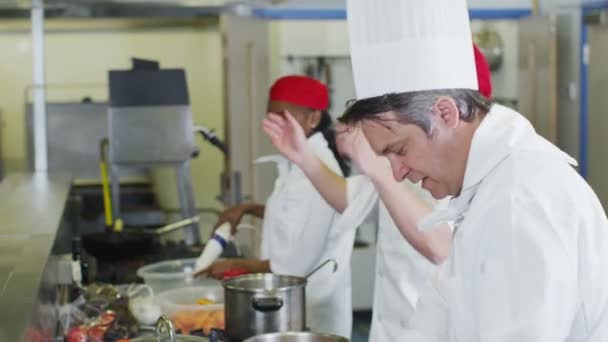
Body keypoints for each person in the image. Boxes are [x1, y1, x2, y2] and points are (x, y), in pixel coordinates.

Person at [336, 0, 608, 340]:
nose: (398, 173)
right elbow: (435, 322)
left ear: (446, 114)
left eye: (399, 150)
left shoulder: (520, 200)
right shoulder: (480, 194)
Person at [261, 44, 492, 341]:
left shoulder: (475, 172)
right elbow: (349, 199)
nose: (399, 168)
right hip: (395, 325)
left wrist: (377, 166)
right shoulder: (411, 158)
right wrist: (303, 155)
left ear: (447, 113)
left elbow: (440, 246)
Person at [200, 75, 356, 338]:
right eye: (270, 117)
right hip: (290, 307)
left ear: (313, 119)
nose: (274, 125)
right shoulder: (296, 164)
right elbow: (292, 216)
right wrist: (247, 209)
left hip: (311, 312)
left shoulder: (319, 171)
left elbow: (293, 268)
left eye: (283, 117)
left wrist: (237, 266)